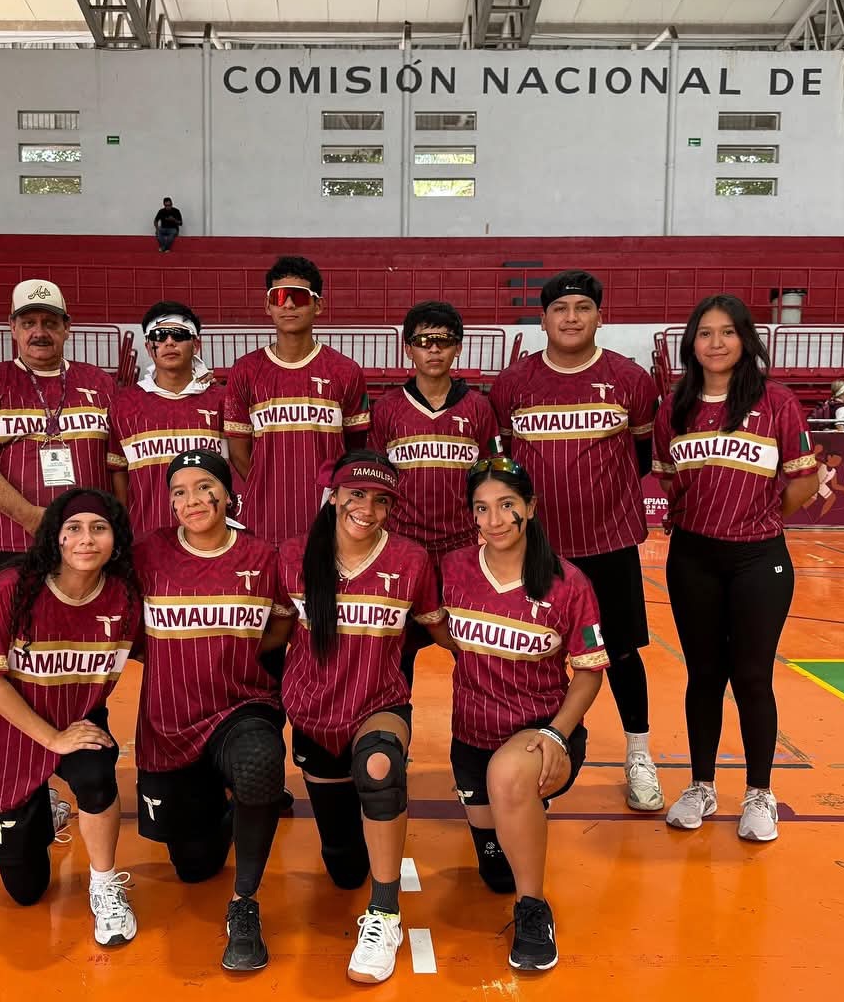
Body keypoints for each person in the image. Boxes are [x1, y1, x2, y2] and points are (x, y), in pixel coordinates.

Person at [489, 269, 664, 813]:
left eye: (582, 308)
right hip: (536, 549)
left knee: (621, 652)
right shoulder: (513, 384)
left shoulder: (631, 380)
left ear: (599, 317)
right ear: (543, 320)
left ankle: (639, 754)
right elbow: (506, 464)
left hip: (608, 543)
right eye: (560, 309)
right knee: (527, 651)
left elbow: (639, 456)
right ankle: (522, 753)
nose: (571, 318)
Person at [278, 451, 450, 984]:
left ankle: (385, 913)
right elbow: (270, 634)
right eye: (356, 495)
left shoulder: (411, 559)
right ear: (333, 497)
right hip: (314, 710)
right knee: (343, 867)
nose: (367, 509)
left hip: (380, 700)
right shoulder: (293, 556)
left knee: (380, 769)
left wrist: (508, 659)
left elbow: (440, 629)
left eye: (380, 500)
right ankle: (361, 859)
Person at [652, 294, 819, 842]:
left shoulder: (776, 401)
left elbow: (804, 479)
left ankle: (759, 793)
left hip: (758, 559)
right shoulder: (673, 407)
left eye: (727, 332)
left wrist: (760, 517)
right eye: (705, 333)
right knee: (703, 675)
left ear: (746, 339)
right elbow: (670, 479)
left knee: (751, 676)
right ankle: (701, 785)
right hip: (693, 558)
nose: (716, 343)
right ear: (691, 343)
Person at [442, 456, 609, 971]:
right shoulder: (454, 570)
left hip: (540, 732)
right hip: (471, 736)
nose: (494, 520)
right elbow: (430, 623)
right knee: (495, 872)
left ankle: (533, 908)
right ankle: (513, 822)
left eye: (506, 505)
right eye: (481, 508)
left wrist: (558, 735)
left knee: (509, 778)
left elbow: (589, 672)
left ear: (530, 507)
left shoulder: (567, 583)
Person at [132, 450, 296, 972]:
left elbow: (283, 622)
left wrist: (238, 651)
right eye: (179, 492)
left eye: (204, 487)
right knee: (195, 866)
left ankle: (244, 904)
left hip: (239, 706)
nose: (193, 500)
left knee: (260, 764)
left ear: (227, 494)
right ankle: (232, 806)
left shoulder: (262, 556)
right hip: (170, 720)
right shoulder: (148, 554)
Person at [0, 488, 141, 944]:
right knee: (26, 891)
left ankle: (104, 884)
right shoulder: (11, 587)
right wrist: (53, 739)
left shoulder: (123, 597)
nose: (86, 539)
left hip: (78, 719)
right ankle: (43, 805)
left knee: (97, 777)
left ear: (116, 540)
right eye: (73, 528)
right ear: (55, 537)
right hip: (10, 728)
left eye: (99, 528)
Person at [0, 279, 116, 619]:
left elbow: (119, 464)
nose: (39, 332)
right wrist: (30, 517)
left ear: (67, 327)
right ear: (13, 328)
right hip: (4, 546)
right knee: (0, 645)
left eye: (50, 323)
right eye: (28, 323)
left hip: (85, 549)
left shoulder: (99, 383)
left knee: (79, 645)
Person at [370, 301, 496, 689]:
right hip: (403, 550)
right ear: (408, 348)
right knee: (395, 661)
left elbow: (491, 481)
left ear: (459, 346)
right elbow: (376, 483)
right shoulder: (388, 409)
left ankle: (481, 724)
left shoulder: (478, 408)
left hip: (461, 552)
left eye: (444, 340)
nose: (434, 349)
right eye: (424, 341)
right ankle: (394, 726)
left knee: (474, 656)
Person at [224, 255, 369, 546]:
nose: (288, 305)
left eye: (299, 297)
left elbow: (355, 447)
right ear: (268, 305)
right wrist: (268, 487)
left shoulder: (345, 371)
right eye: (279, 297)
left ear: (318, 305)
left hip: (327, 519)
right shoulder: (245, 371)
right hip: (265, 518)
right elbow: (239, 452)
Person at [108, 302, 225, 536]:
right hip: (146, 537)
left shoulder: (223, 400)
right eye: (159, 336)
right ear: (149, 347)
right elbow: (118, 471)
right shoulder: (123, 404)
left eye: (179, 335)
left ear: (196, 344)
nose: (169, 342)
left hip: (212, 538)